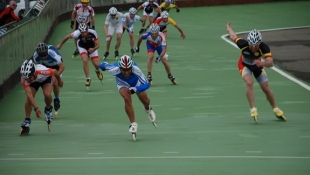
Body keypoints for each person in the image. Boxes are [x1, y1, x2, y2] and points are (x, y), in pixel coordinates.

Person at [226, 22, 286, 123]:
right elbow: (233, 36)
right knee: (249, 82)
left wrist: (262, 63)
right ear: (248, 42)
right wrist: (228, 28)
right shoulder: (243, 44)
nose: (253, 48)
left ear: (260, 43)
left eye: (256, 46)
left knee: (266, 89)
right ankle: (253, 109)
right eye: (251, 45)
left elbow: (270, 63)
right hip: (244, 65)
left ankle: (275, 108)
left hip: (259, 65)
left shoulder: (264, 47)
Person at [99, 55, 157, 141]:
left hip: (136, 83)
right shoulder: (114, 69)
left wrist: (136, 89)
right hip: (122, 83)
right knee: (127, 97)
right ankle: (133, 123)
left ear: (131, 67)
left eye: (128, 70)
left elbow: (147, 84)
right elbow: (103, 64)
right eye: (124, 70)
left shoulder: (136, 69)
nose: (126, 72)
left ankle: (147, 109)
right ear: (119, 67)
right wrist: (101, 67)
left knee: (146, 101)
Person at [19, 59, 64, 135]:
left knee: (47, 94)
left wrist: (59, 80)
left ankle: (48, 108)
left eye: (29, 77)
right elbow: (29, 94)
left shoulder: (43, 71)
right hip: (34, 82)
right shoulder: (24, 78)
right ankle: (27, 119)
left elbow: (55, 71)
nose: (28, 80)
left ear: (33, 73)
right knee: (29, 99)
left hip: (45, 79)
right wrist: (36, 108)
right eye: (26, 78)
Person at [56, 23, 103, 91]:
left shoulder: (93, 32)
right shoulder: (76, 33)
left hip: (92, 47)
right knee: (85, 60)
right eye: (82, 32)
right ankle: (88, 78)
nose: (84, 34)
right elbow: (67, 37)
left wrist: (93, 49)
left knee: (97, 64)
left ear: (87, 30)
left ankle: (98, 70)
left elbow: (98, 45)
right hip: (82, 46)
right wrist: (60, 45)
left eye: (85, 32)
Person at [33, 43, 65, 118]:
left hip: (56, 66)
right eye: (42, 56)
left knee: (56, 83)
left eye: (45, 55)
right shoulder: (36, 56)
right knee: (48, 87)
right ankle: (48, 106)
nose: (43, 57)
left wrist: (56, 76)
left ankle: (56, 98)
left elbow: (62, 67)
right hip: (45, 66)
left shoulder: (52, 54)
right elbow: (37, 67)